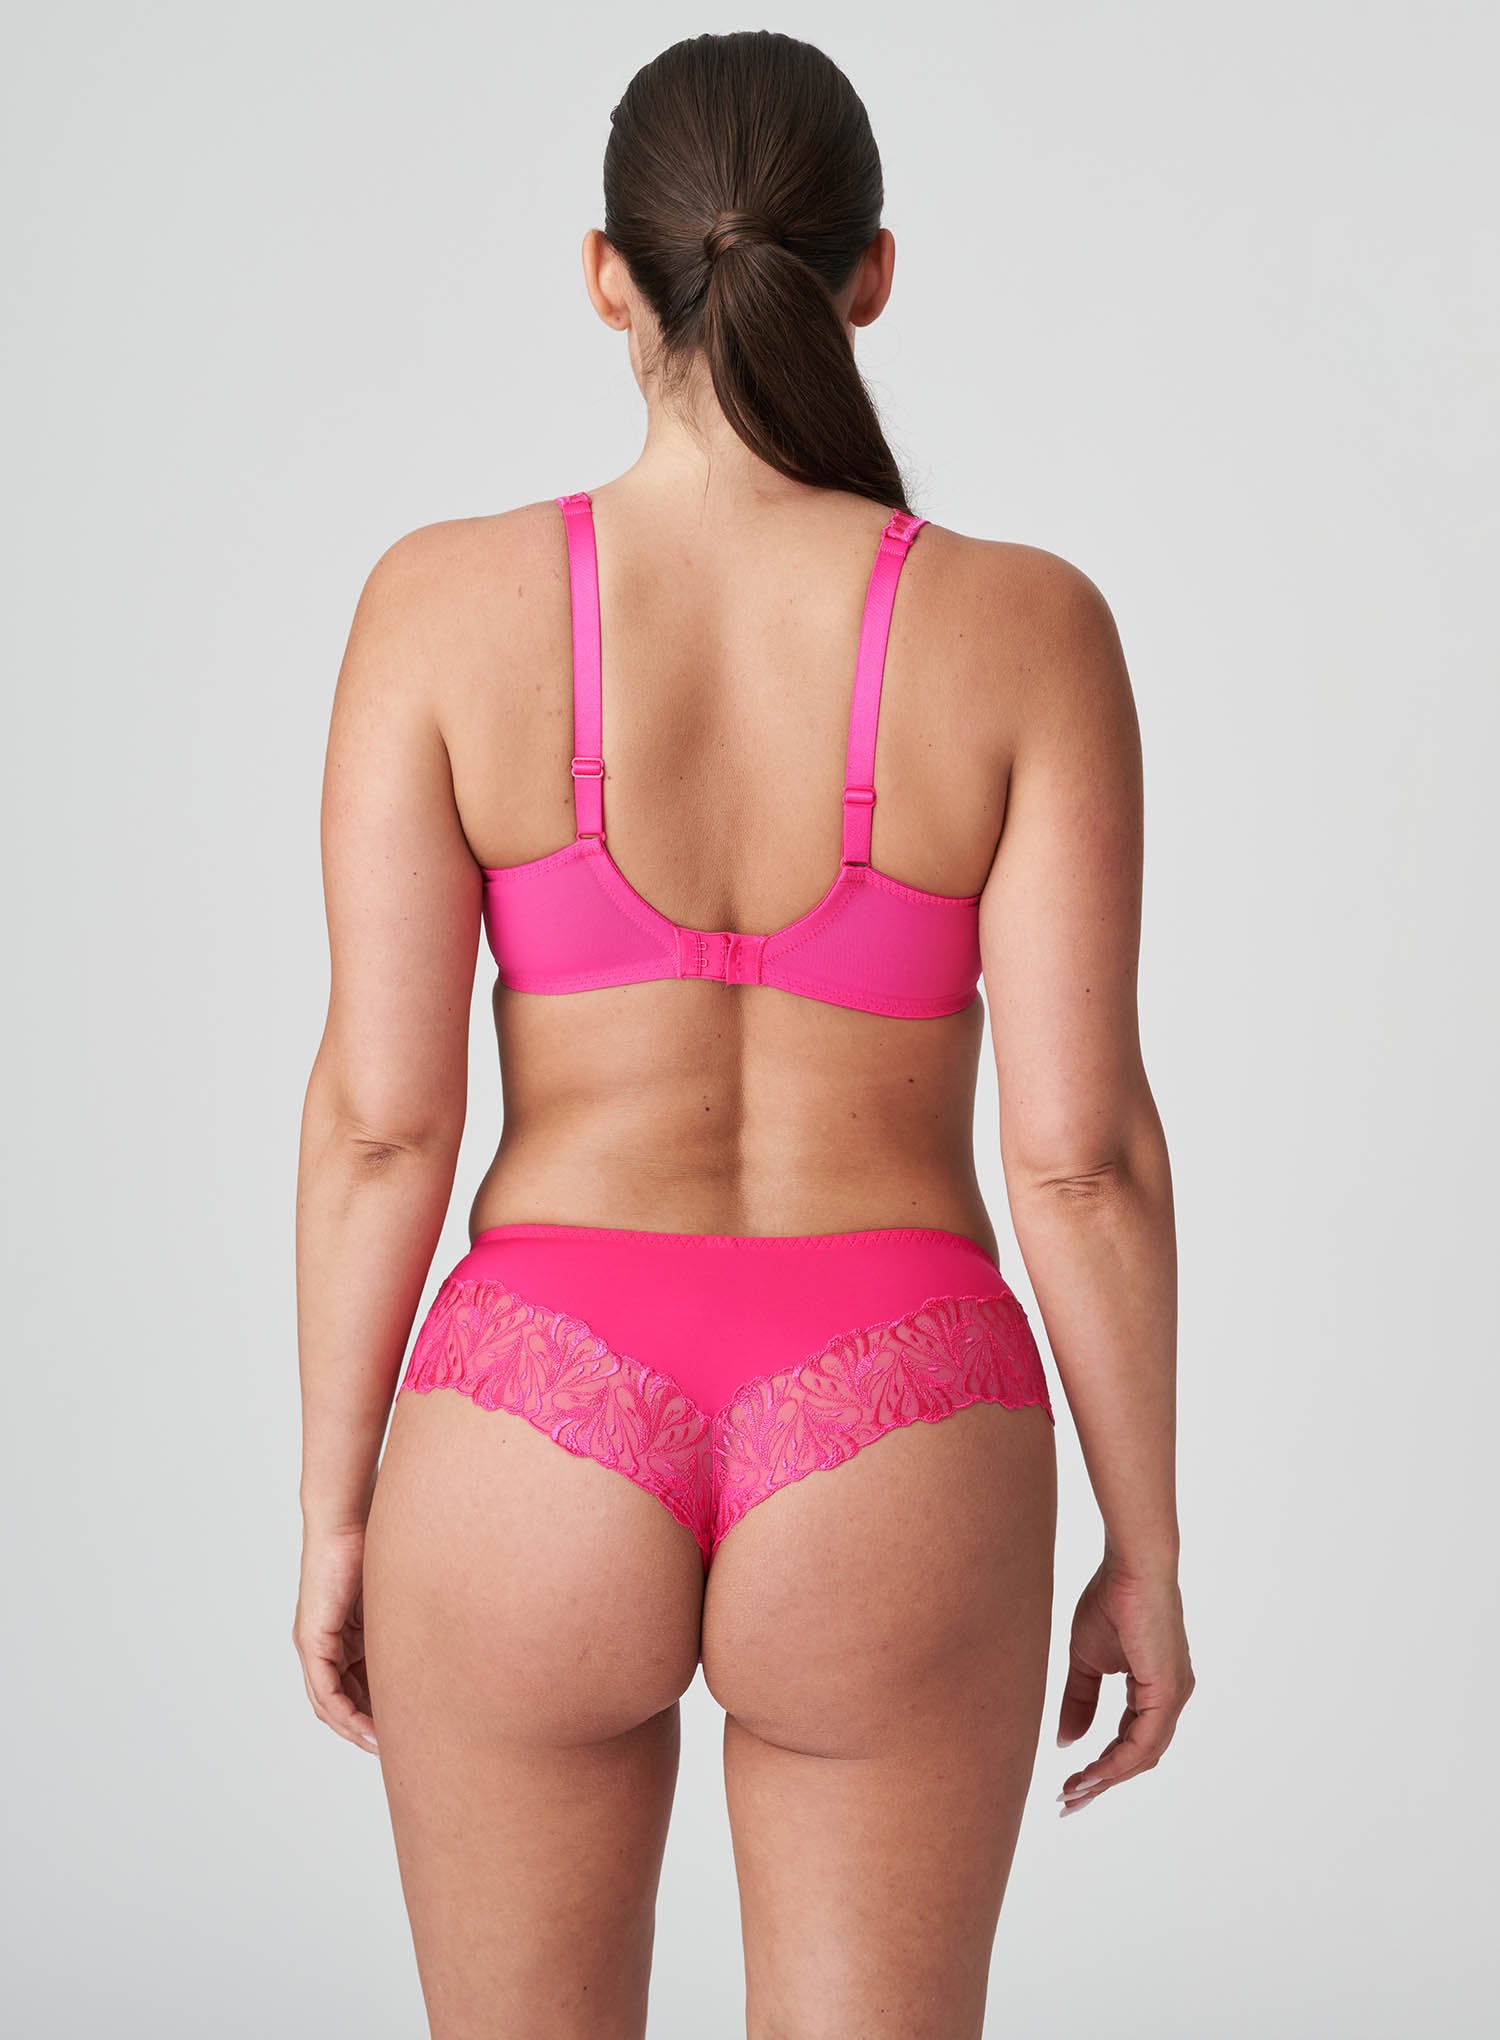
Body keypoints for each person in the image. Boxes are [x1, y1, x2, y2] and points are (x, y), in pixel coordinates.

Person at [293, 27, 1192, 2039]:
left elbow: (378, 1127)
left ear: (604, 277)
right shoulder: (1027, 628)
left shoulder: (437, 609)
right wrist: (1143, 1542)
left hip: (530, 1415)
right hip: (899, 1423)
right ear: (868, 272)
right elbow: (1080, 1158)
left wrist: (341, 1503)